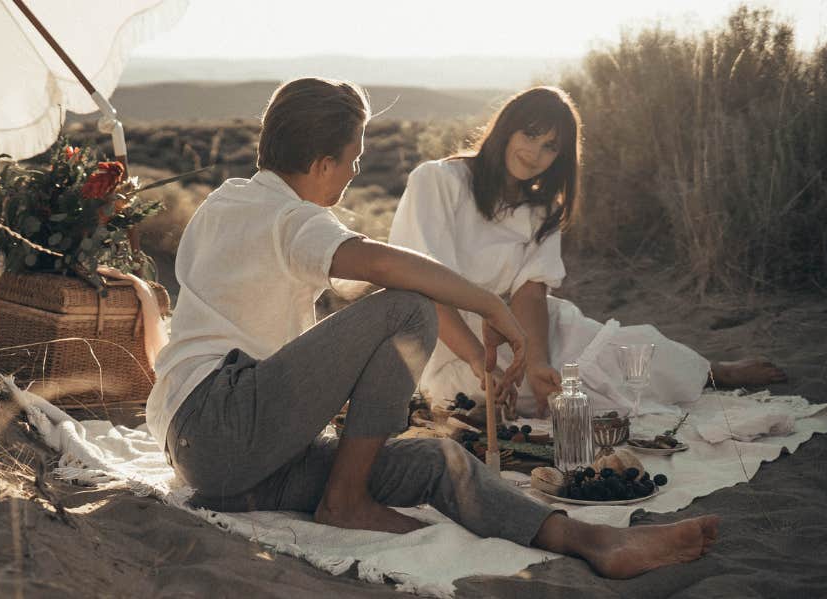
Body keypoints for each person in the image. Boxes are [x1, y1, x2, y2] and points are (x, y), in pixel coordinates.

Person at [144, 77, 717, 578]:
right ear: (321, 165)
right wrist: (491, 309)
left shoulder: (227, 202)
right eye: (353, 158)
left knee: (432, 459)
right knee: (408, 307)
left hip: (233, 463)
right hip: (219, 420)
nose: (356, 170)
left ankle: (592, 541)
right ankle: (345, 500)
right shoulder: (288, 217)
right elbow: (385, 267)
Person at [388, 86, 787, 418]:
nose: (535, 154)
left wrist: (537, 360)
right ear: (506, 129)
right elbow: (424, 284)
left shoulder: (540, 208)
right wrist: (479, 359)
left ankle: (709, 372)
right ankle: (692, 377)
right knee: (505, 398)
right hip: (446, 336)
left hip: (524, 332)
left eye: (550, 147)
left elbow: (530, 292)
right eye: (529, 135)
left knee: (610, 360)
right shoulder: (439, 180)